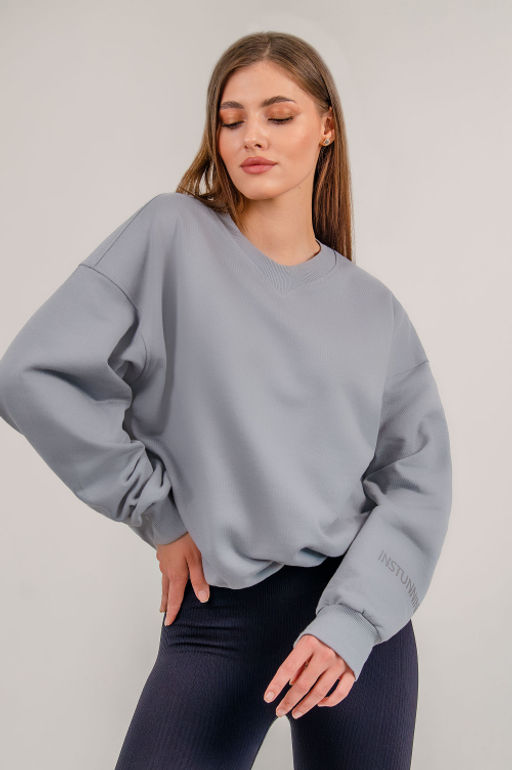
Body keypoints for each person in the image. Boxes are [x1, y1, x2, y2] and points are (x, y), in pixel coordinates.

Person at [0, 31, 452, 770]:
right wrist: (157, 512)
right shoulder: (170, 233)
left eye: (279, 115)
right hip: (216, 617)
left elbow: (417, 481)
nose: (252, 137)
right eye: (231, 119)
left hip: (353, 620)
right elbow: (32, 374)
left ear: (326, 127)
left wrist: (352, 623)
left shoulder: (375, 311)